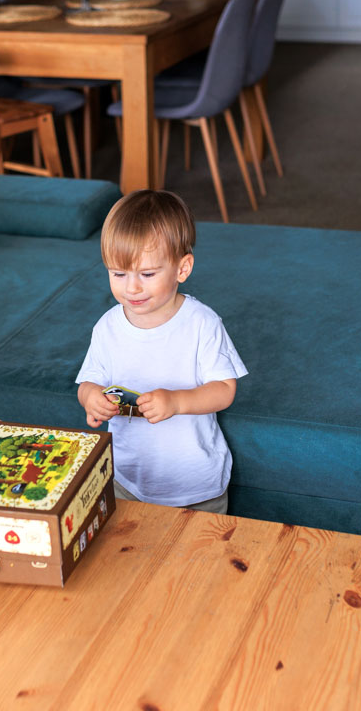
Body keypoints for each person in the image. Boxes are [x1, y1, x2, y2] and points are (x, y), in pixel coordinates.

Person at [75, 190, 246, 513]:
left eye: (147, 274)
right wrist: (91, 398)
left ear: (182, 269)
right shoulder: (108, 327)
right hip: (126, 479)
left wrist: (176, 402)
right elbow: (89, 381)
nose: (132, 287)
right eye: (118, 274)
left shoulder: (202, 323)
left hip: (196, 486)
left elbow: (225, 389)